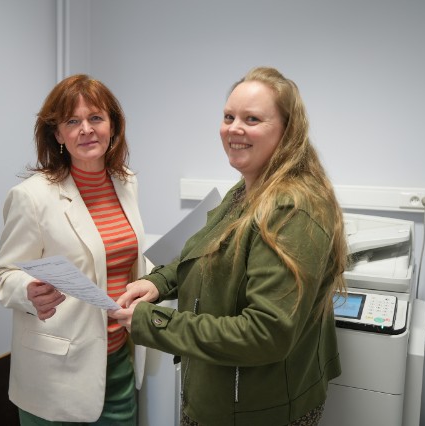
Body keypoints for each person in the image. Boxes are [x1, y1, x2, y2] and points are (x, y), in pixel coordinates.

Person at [109, 66, 348, 426]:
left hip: (256, 410)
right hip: (219, 392)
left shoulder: (290, 211)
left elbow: (265, 333)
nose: (234, 128)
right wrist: (158, 282)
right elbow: (206, 252)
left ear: (288, 130)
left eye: (252, 119)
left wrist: (154, 322)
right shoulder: (249, 188)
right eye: (228, 117)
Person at [0, 74, 150, 425]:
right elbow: (4, 275)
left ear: (112, 126)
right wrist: (28, 291)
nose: (86, 130)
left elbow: (123, 258)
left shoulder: (126, 182)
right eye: (72, 122)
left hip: (117, 361)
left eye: (95, 118)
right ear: (58, 134)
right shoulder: (32, 197)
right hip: (56, 374)